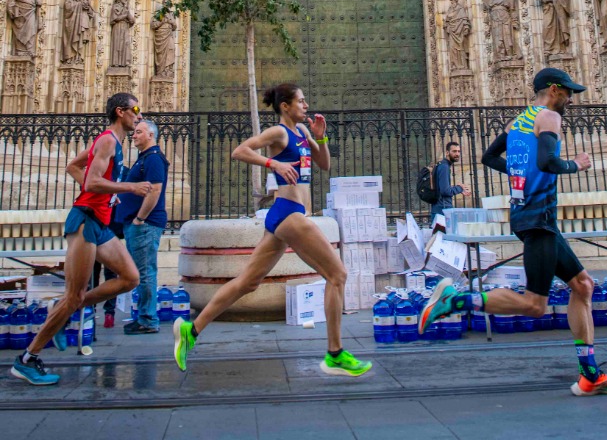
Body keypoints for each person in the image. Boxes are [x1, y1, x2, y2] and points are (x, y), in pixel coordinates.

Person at [418, 67, 607, 397]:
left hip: (529, 217)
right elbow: (548, 162)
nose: (571, 99)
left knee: (583, 285)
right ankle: (455, 300)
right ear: (554, 90)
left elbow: (489, 157)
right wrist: (577, 164)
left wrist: (518, 170)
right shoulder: (548, 117)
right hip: (538, 219)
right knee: (534, 305)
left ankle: (590, 375)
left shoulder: (518, 121)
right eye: (569, 92)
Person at [172, 83, 372, 379]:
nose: (306, 105)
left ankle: (192, 329)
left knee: (247, 283)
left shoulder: (302, 134)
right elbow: (240, 151)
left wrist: (322, 138)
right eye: (301, 101)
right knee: (337, 275)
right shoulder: (278, 133)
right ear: (285, 107)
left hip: (286, 217)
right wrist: (272, 165)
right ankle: (335, 354)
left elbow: (324, 164)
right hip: (289, 214)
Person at [10, 94, 152, 386]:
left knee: (130, 277)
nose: (139, 115)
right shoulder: (108, 141)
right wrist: (128, 188)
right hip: (85, 220)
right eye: (135, 110)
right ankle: (27, 358)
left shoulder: (111, 142)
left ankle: (63, 311)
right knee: (74, 294)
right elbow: (91, 181)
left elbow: (75, 167)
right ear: (120, 111)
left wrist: (103, 195)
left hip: (98, 222)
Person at [117, 119, 170, 334]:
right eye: (134, 132)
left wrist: (140, 218)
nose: (134, 135)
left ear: (150, 135)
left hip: (145, 225)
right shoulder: (146, 158)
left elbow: (154, 191)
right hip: (138, 224)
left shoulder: (154, 159)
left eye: (139, 132)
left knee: (145, 272)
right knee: (141, 272)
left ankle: (148, 319)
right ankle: (144, 316)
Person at [430, 140, 471, 221]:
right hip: (443, 210)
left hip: (439, 208)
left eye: (459, 151)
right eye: (454, 151)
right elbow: (445, 191)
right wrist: (460, 188)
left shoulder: (441, 165)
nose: (457, 154)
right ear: (447, 152)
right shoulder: (444, 167)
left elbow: (442, 188)